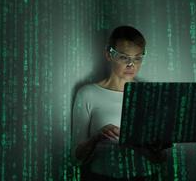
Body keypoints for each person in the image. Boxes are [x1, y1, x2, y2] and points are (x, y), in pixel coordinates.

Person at [71, 25, 170, 181]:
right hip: (101, 177)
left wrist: (152, 147)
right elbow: (76, 158)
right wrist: (97, 138)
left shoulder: (151, 94)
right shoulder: (87, 94)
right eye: (124, 57)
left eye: (137, 58)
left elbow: (162, 158)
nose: (131, 64)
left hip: (146, 177)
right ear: (109, 55)